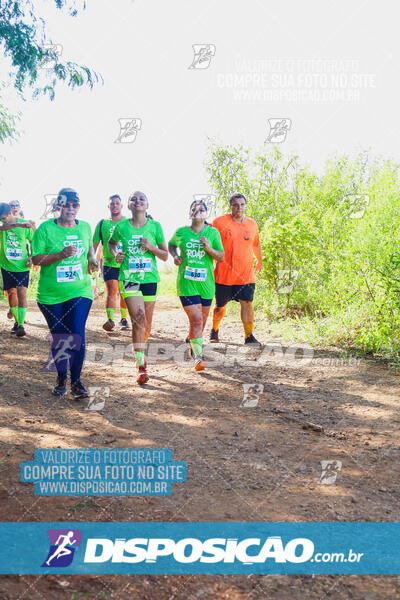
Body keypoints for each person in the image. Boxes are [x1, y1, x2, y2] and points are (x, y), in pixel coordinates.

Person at [31, 188, 98, 398]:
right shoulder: (45, 229)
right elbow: (36, 260)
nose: (70, 207)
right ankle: (61, 378)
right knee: (60, 337)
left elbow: (89, 253)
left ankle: (76, 383)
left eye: (75, 204)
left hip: (80, 290)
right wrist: (60, 254)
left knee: (77, 333)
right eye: (66, 203)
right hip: (50, 295)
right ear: (58, 205)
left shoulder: (85, 228)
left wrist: (93, 262)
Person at [108, 191, 167, 385]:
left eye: (142, 198)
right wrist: (116, 253)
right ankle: (141, 366)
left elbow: (165, 255)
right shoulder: (121, 226)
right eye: (133, 199)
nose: (137, 201)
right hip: (129, 277)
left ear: (147, 205)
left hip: (150, 279)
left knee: (146, 325)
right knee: (138, 320)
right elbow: (111, 243)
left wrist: (151, 247)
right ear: (129, 205)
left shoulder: (155, 227)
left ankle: (137, 348)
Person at [169, 199, 224, 371]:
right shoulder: (181, 232)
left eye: (201, 209)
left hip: (206, 284)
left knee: (201, 322)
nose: (197, 211)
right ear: (190, 213)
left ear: (206, 214)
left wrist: (208, 248)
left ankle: (192, 340)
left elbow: (221, 256)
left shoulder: (213, 233)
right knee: (197, 319)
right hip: (187, 283)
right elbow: (171, 246)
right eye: (194, 209)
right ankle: (198, 357)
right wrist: (175, 256)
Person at [210, 192, 262, 345]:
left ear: (245, 206)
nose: (239, 208)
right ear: (230, 206)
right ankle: (214, 329)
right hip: (223, 274)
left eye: (242, 205)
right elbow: (211, 243)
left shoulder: (252, 224)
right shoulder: (219, 222)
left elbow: (256, 244)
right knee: (220, 307)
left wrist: (260, 261)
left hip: (245, 274)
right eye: (235, 205)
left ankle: (249, 336)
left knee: (247, 303)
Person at [93, 194, 129, 331]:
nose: (114, 205)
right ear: (108, 206)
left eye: (117, 203)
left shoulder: (128, 223)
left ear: (121, 206)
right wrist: (92, 260)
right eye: (112, 204)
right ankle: (110, 319)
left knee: (125, 291)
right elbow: (94, 243)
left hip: (126, 264)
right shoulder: (102, 223)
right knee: (112, 291)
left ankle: (124, 319)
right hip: (108, 262)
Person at [0, 202, 34, 336]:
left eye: (3, 218)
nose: (1, 221)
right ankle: (17, 320)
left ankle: (21, 325)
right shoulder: (6, 225)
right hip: (6, 265)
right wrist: (19, 225)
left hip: (22, 266)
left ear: (10, 214)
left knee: (21, 292)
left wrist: (31, 256)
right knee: (12, 293)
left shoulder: (25, 225)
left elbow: (33, 241)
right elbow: (3, 228)